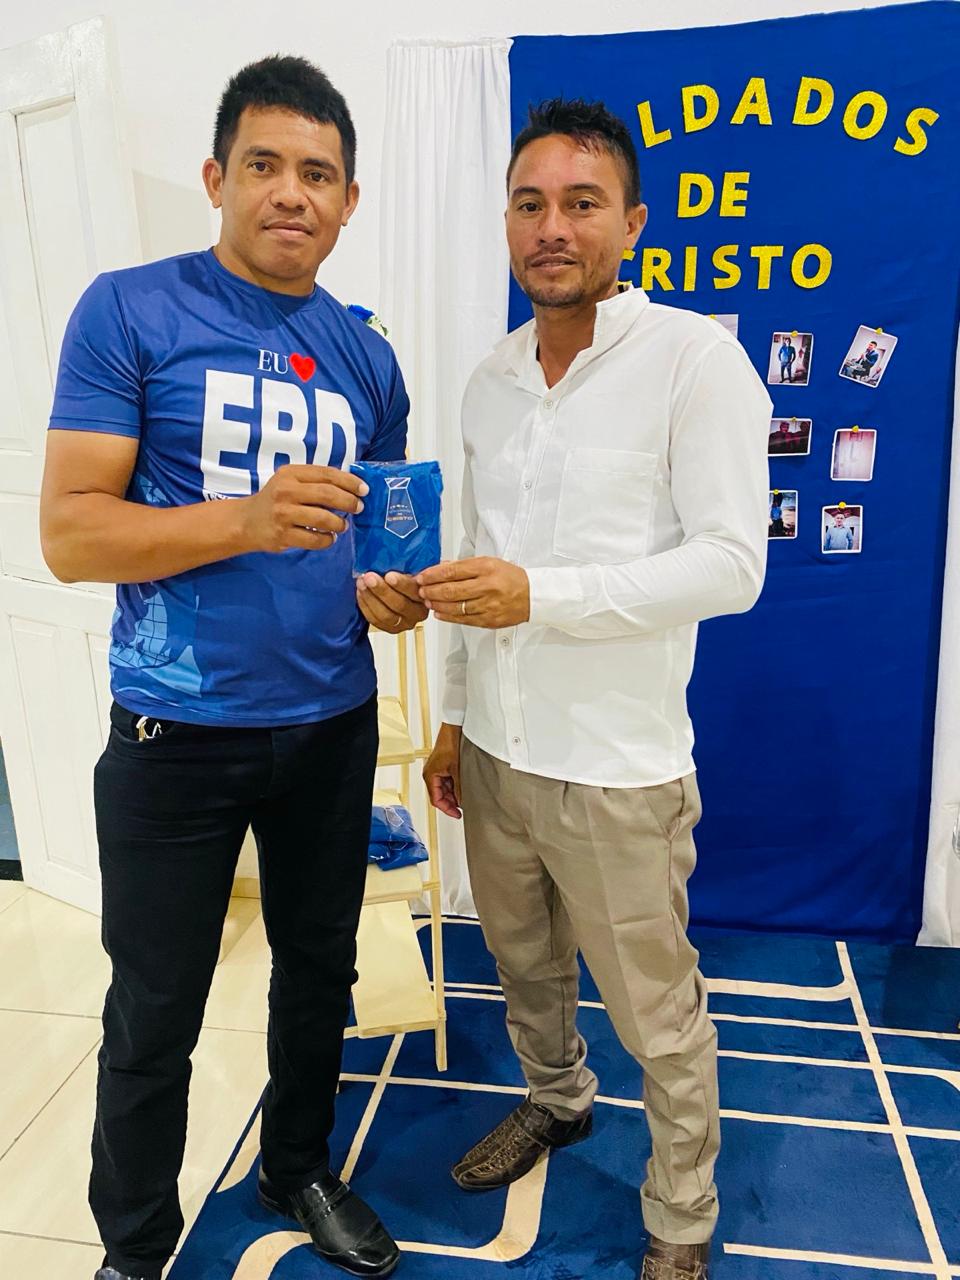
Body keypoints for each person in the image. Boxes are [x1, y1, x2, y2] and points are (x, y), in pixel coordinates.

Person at [39, 55, 425, 1280]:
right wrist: (243, 521)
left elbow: (373, 542)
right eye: (264, 164)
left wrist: (390, 595)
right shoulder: (129, 311)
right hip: (174, 730)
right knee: (155, 1002)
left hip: (331, 721)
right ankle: (135, 1247)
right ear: (217, 178)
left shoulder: (367, 359)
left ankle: (296, 1162)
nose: (291, 192)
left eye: (318, 173)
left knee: (319, 970)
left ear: (349, 201)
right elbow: (70, 534)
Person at [419, 98, 771, 1280]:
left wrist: (544, 595)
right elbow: (476, 562)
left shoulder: (693, 360)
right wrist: (454, 718)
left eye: (582, 203)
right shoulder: (490, 379)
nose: (552, 227)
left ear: (633, 220)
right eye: (530, 204)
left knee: (657, 1016)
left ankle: (682, 1213)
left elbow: (732, 564)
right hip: (499, 752)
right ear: (508, 223)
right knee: (524, 969)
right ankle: (557, 1098)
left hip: (618, 768)